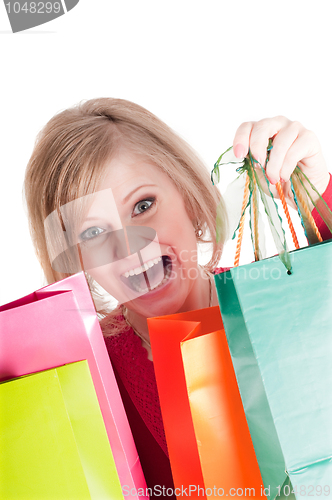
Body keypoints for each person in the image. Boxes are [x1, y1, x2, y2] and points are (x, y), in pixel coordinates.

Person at [24, 99, 332, 495]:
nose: (129, 248)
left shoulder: (284, 302)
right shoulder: (82, 379)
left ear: (188, 192)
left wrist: (321, 192)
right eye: (92, 233)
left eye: (143, 205)